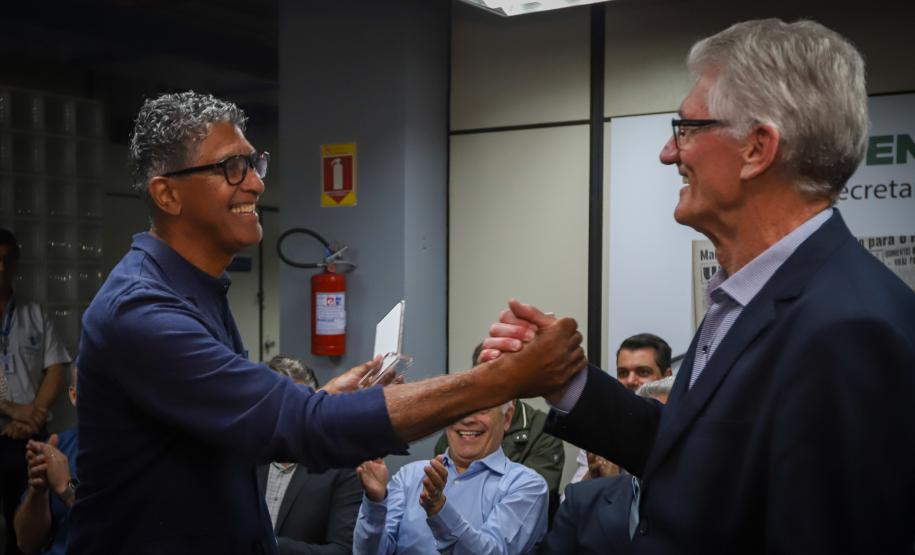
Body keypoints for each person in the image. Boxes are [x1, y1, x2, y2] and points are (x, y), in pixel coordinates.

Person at [70, 91, 586, 553]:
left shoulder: (197, 288)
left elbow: (239, 427)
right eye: (231, 168)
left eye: (254, 163)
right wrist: (503, 380)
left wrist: (328, 403)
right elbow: (297, 426)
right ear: (168, 195)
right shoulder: (142, 311)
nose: (254, 182)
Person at [484, 19, 915, 553]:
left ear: (757, 148)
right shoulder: (753, 296)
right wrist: (566, 380)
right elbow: (694, 457)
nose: (669, 152)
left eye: (686, 129)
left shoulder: (849, 330)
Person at [353, 402, 548, 554]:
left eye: (482, 409)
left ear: (506, 418)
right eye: (459, 409)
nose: (468, 419)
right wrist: (375, 502)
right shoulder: (410, 477)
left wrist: (439, 509)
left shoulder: (526, 486)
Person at [541, 377, 674, 554]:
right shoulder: (581, 500)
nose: (656, 437)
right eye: (647, 424)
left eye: (665, 426)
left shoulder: (709, 507)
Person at [0, 228, 70, 555]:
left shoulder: (34, 313)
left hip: (28, 441)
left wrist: (35, 416)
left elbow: (56, 367)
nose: (1, 268)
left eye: (7, 260)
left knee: (26, 528)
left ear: (15, 265)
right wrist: (14, 410)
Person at [433, 344, 564, 518]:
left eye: (501, 373)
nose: (494, 383)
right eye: (485, 375)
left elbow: (529, 503)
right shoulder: (459, 429)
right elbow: (441, 490)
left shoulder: (543, 431)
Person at [257, 355, 361, 555]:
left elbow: (343, 551)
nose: (285, 414)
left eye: (295, 404)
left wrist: (269, 545)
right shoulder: (245, 456)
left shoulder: (341, 467)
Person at [568, 333, 672, 484]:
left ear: (667, 376)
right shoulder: (603, 429)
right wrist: (593, 475)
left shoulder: (679, 427)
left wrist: (613, 483)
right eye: (623, 373)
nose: (630, 381)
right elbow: (569, 501)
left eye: (643, 372)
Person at [13, 366, 79, 555]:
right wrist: (37, 492)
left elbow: (116, 534)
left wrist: (67, 489)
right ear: (74, 396)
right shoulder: (57, 448)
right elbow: (25, 543)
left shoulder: (136, 453)